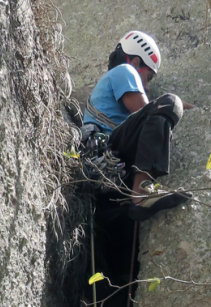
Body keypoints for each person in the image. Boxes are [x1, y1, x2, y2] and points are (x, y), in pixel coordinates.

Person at [82, 30, 192, 220]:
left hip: (109, 162)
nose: (148, 87)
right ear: (135, 62)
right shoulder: (125, 71)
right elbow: (145, 109)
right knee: (170, 102)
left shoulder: (113, 81)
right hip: (110, 150)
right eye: (148, 77)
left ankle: (135, 198)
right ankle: (142, 194)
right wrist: (176, 106)